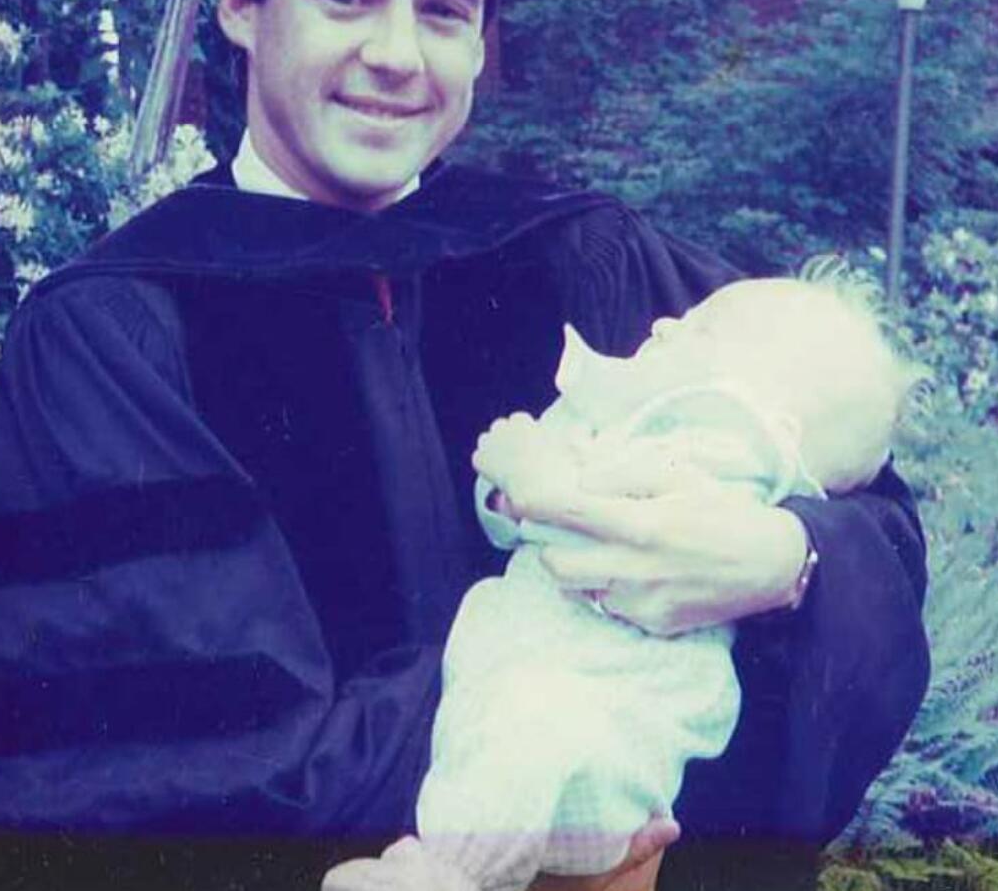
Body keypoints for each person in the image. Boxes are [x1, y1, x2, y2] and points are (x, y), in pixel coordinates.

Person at [0, 0, 930, 891]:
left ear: (484, 42)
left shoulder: (585, 260)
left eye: (445, 9)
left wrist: (786, 561)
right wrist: (554, 802)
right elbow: (129, 773)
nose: (396, 57)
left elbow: (873, 519)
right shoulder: (113, 336)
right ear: (241, 5)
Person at [324, 270, 926, 891]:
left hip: (604, 707)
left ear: (766, 410)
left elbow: (586, 511)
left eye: (704, 330)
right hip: (557, 696)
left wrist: (794, 553)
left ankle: (445, 873)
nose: (665, 323)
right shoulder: (655, 407)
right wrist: (507, 494)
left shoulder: (727, 443)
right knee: (518, 746)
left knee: (528, 740)